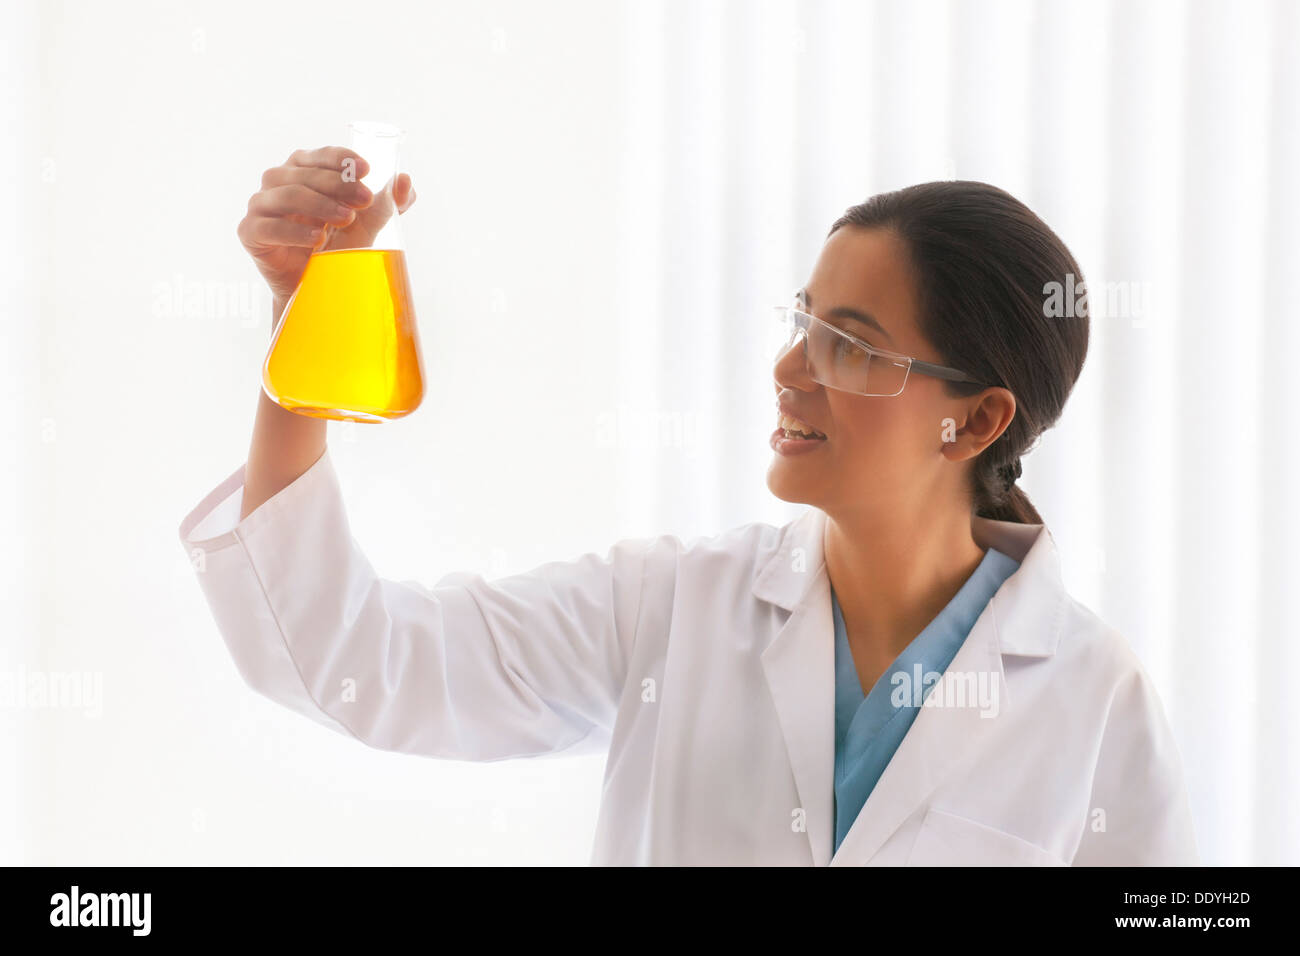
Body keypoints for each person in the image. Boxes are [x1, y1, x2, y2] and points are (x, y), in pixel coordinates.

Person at [178, 154, 1198, 866]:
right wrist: (305, 332)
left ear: (972, 421)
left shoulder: (1094, 698)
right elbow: (355, 658)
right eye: (802, 323)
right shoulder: (669, 607)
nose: (787, 369)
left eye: (848, 343)